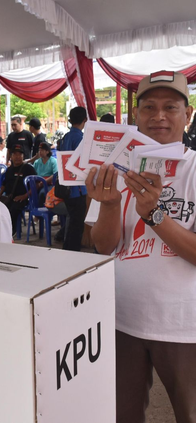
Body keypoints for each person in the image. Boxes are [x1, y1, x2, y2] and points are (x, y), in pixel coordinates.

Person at [85, 71, 196, 423]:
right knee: (122, 414)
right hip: (121, 318)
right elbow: (104, 247)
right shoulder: (115, 167)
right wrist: (110, 204)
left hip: (183, 325)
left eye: (170, 107)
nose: (158, 116)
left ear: (188, 114)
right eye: (149, 107)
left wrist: (155, 214)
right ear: (136, 115)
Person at [60, 106, 88, 251]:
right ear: (85, 120)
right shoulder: (80, 138)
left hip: (67, 186)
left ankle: (68, 248)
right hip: (77, 187)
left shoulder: (66, 137)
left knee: (72, 222)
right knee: (77, 224)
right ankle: (72, 251)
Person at [0, 144, 36, 235]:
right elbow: (4, 184)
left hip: (23, 199)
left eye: (20, 154)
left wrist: (25, 196)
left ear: (23, 156)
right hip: (9, 197)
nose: (17, 157)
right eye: (15, 154)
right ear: (11, 156)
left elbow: (36, 185)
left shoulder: (28, 169)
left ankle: (11, 232)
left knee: (13, 210)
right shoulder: (9, 170)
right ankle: (0, 231)